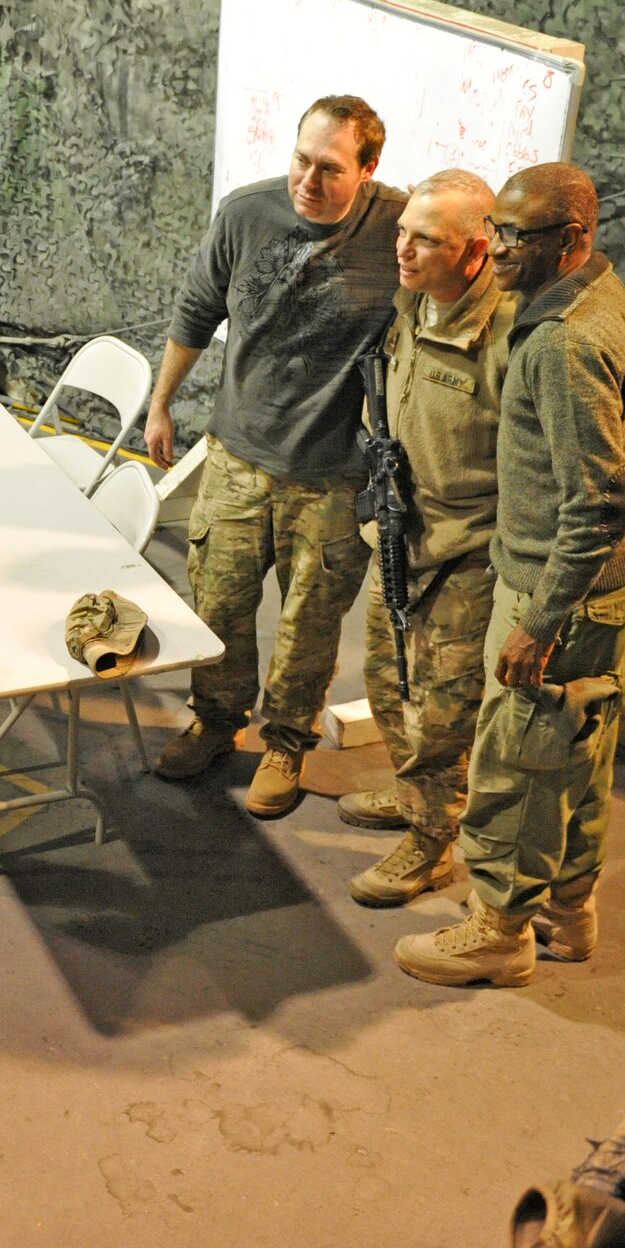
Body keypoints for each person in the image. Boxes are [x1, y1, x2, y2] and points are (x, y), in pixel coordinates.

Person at [341, 171, 625, 910]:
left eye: (426, 240)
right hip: (403, 532)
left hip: (474, 552)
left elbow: (610, 437)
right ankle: (418, 800)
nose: (402, 250)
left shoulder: (526, 331)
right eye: (403, 233)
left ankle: (433, 842)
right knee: (391, 683)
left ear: (472, 253)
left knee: (450, 717)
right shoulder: (414, 299)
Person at [394, 161, 625, 989]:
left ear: (571, 239)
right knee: (578, 748)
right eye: (494, 231)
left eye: (515, 236)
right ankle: (568, 912)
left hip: (562, 585)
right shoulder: (596, 294)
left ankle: (499, 929)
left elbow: (598, 502)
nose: (497, 249)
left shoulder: (560, 340)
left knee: (516, 757)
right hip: (604, 585)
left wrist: (538, 622)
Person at [145, 95, 406, 819]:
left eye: (329, 168)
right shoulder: (244, 214)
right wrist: (163, 403)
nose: (308, 181)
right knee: (219, 604)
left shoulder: (398, 229)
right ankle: (216, 719)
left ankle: (286, 741)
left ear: (369, 168)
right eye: (300, 160)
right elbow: (196, 311)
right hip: (236, 458)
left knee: (310, 623)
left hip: (332, 475)